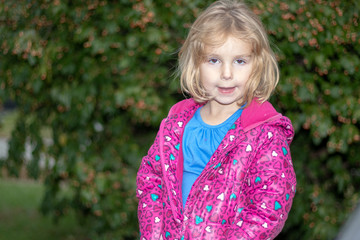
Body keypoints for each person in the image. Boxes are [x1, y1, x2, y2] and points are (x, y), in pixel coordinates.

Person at [136, 0, 296, 239]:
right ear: (196, 64)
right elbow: (151, 181)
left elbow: (267, 209)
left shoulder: (265, 135)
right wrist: (154, 235)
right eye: (214, 60)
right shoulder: (176, 126)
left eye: (240, 61)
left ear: (258, 65)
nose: (227, 73)